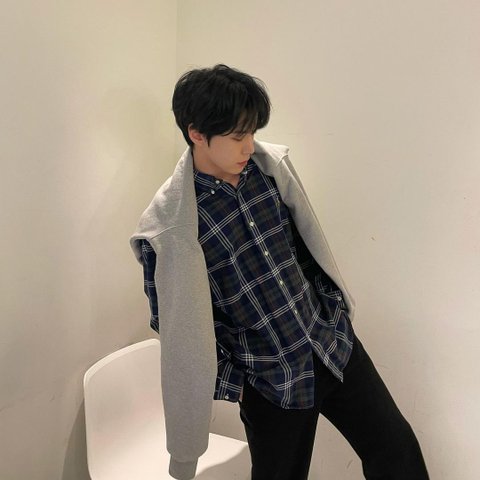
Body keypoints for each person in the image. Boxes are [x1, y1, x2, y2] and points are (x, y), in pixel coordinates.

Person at [130, 64, 429, 480]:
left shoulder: (269, 170)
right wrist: (240, 381)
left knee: (397, 451)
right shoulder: (171, 227)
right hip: (271, 380)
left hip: (330, 343)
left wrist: (332, 309)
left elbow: (306, 249)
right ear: (196, 133)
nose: (249, 145)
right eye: (237, 136)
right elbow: (175, 323)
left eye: (252, 132)